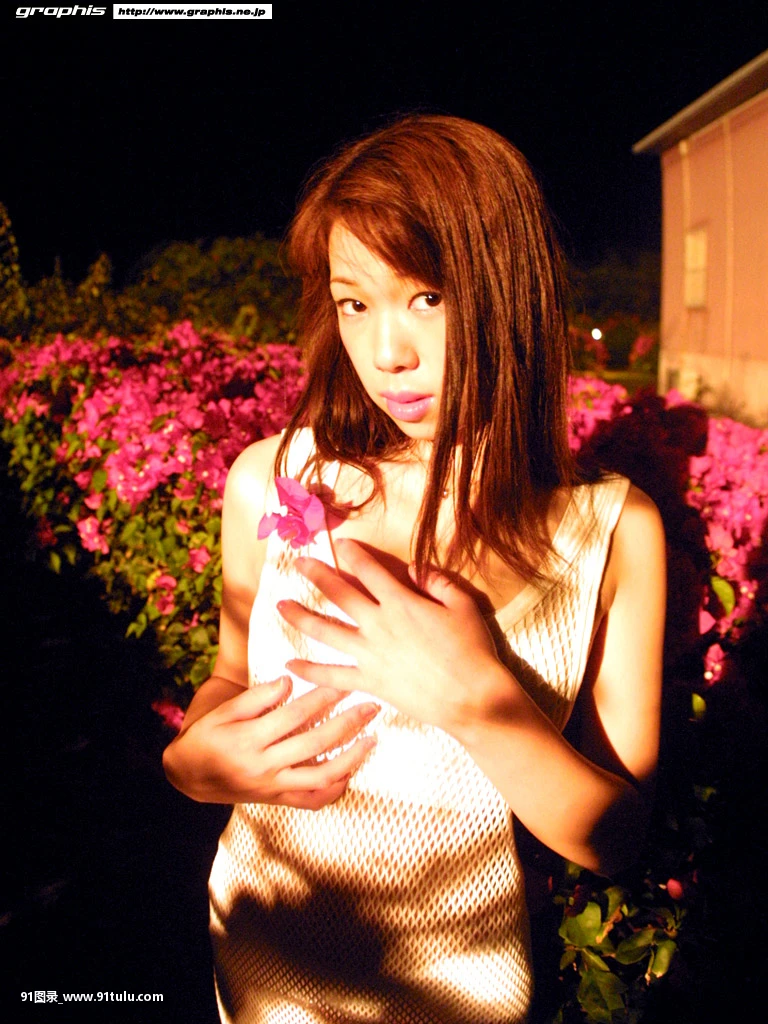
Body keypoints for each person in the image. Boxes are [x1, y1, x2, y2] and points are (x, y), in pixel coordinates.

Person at [162, 114, 666, 1024]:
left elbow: (618, 835)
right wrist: (195, 763)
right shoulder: (274, 480)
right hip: (259, 955)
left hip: (460, 995)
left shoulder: (611, 532)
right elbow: (231, 675)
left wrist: (478, 702)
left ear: (507, 291)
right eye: (355, 304)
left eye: (427, 297)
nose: (387, 352)